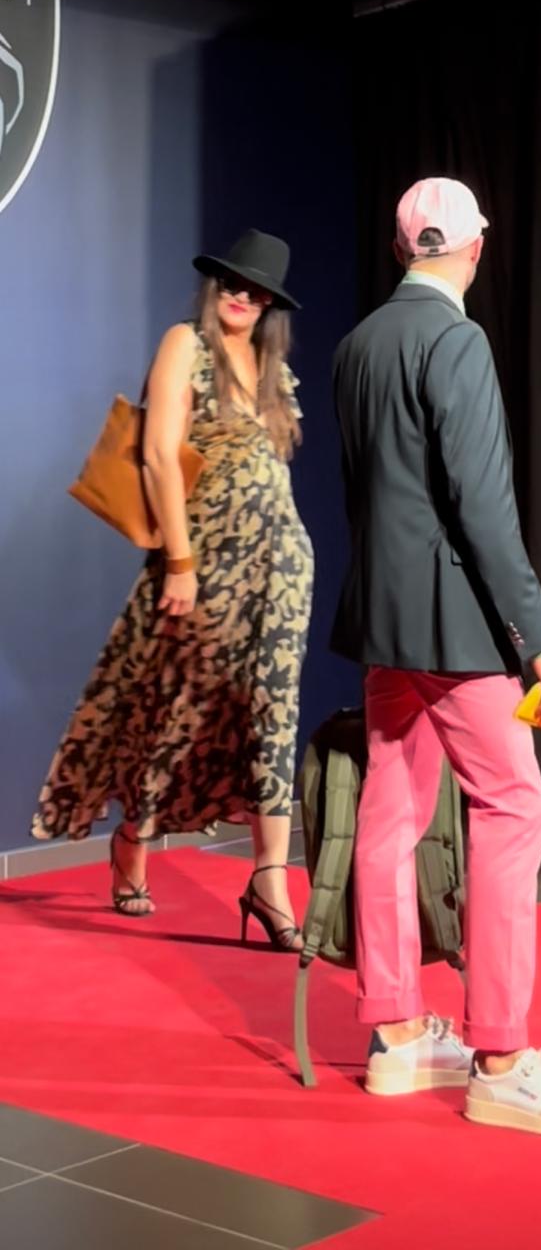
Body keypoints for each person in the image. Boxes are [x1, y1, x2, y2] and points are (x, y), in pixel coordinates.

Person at [332, 177, 541, 1138]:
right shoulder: (456, 341)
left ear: (402, 247)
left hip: (384, 621)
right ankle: (499, 1057)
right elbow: (482, 509)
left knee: (391, 808)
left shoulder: (358, 344)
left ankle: (398, 1033)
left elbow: (368, 497)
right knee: (514, 804)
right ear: (473, 248)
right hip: (455, 627)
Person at [32, 229, 314, 950]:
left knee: (273, 716)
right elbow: (159, 454)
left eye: (258, 292)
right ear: (215, 286)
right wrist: (181, 564)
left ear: (271, 305)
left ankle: (271, 879)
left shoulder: (272, 368)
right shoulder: (185, 343)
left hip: (282, 569)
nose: (243, 297)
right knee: (177, 713)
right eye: (234, 284)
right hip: (206, 563)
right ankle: (134, 836)